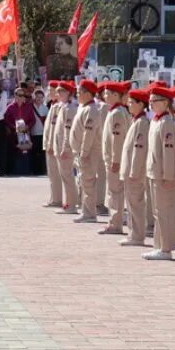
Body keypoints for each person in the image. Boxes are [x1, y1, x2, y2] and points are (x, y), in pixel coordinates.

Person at [142, 86, 175, 261]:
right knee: (158, 211)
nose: (150, 104)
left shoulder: (167, 122)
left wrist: (168, 175)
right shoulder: (157, 120)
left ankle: (165, 248)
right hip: (154, 172)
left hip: (163, 174)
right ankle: (159, 245)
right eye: (150, 101)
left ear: (165, 102)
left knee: (165, 212)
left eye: (154, 101)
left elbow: (169, 151)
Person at [119, 88, 151, 246]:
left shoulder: (142, 123)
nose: (129, 105)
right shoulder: (136, 120)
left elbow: (140, 150)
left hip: (135, 171)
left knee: (136, 203)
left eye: (132, 102)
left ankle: (137, 235)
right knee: (131, 203)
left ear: (140, 104)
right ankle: (133, 233)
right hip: (131, 169)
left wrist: (134, 171)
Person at [99, 82, 130, 235]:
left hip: (114, 160)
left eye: (108, 93)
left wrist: (116, 160)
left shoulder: (117, 112)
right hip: (112, 159)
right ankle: (114, 221)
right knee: (113, 191)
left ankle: (115, 223)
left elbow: (117, 140)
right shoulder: (115, 111)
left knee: (115, 192)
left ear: (116, 95)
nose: (105, 96)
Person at [69, 79, 102, 223]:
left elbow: (88, 135)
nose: (77, 95)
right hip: (82, 152)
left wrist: (84, 152)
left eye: (79, 92)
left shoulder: (92, 110)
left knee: (88, 182)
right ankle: (86, 211)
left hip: (88, 152)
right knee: (83, 182)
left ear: (88, 94)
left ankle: (89, 214)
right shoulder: (84, 107)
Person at [53, 81, 79, 214]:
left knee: (68, 177)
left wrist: (65, 148)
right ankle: (68, 203)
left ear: (68, 93)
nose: (57, 94)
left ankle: (71, 205)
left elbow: (68, 131)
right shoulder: (63, 107)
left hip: (65, 149)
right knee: (65, 177)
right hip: (60, 147)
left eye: (60, 91)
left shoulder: (70, 108)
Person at [4, 87, 36, 175]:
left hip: (25, 134)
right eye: (19, 95)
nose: (21, 97)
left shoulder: (28, 107)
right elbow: (6, 120)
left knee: (26, 151)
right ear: (15, 96)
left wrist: (27, 126)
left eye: (23, 95)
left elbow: (33, 120)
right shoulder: (9, 107)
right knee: (14, 152)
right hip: (14, 135)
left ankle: (26, 170)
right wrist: (14, 127)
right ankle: (14, 171)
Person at [42, 82, 63, 207]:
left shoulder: (59, 107)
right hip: (50, 144)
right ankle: (54, 197)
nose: (48, 92)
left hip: (54, 145)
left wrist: (51, 144)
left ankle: (57, 199)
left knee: (56, 174)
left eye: (51, 90)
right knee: (52, 174)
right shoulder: (53, 105)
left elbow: (55, 129)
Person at [30, 89, 48, 177]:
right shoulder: (31, 107)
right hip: (33, 133)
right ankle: (34, 170)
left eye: (41, 97)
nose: (39, 99)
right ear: (34, 97)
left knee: (42, 153)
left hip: (43, 134)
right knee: (34, 153)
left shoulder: (45, 108)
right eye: (37, 97)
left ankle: (42, 170)